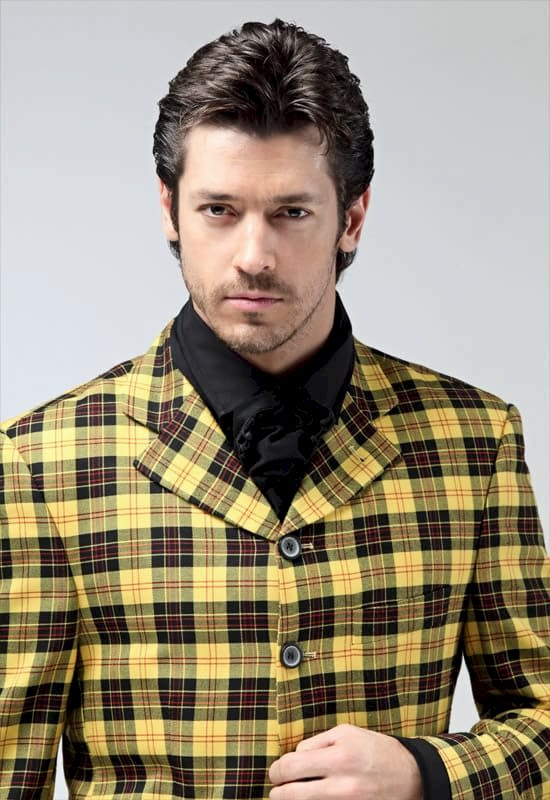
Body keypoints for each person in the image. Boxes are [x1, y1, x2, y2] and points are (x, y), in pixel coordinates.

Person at [0, 17, 548, 800]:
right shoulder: (42, 462)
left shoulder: (473, 441)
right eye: (219, 210)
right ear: (169, 210)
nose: (253, 256)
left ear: (351, 218)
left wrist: (428, 774)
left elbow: (542, 720)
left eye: (291, 213)